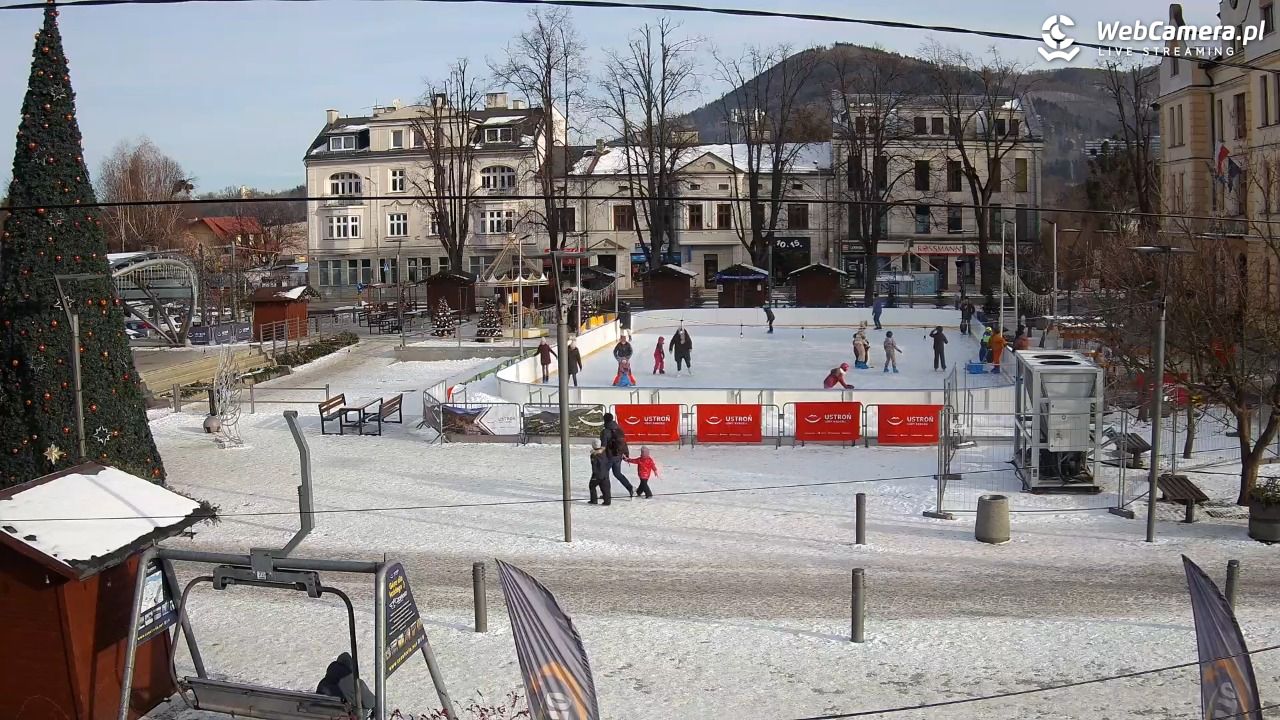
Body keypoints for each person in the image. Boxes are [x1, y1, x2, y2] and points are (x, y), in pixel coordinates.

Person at [599, 413, 635, 497]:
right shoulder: (619, 429)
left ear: (604, 420)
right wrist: (626, 454)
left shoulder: (605, 432)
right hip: (618, 456)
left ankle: (606, 494)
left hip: (609, 457)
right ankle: (630, 488)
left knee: (605, 475)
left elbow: (603, 446)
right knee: (618, 473)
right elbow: (624, 443)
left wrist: (597, 453)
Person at [587, 440, 611, 505]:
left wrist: (594, 474)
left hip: (597, 474)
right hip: (605, 472)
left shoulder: (594, 455)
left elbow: (594, 465)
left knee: (592, 485)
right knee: (605, 487)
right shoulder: (604, 452)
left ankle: (594, 500)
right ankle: (607, 501)